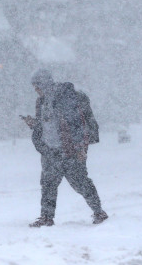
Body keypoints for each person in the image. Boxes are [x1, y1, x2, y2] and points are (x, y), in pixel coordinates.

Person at [21, 69, 108, 227]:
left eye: (37, 86)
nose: (35, 90)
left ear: (45, 84)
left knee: (80, 182)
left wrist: (81, 148)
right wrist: (34, 124)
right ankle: (46, 217)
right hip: (50, 151)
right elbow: (46, 124)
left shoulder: (65, 99)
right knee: (48, 184)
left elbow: (75, 126)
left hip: (70, 150)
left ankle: (99, 212)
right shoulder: (41, 102)